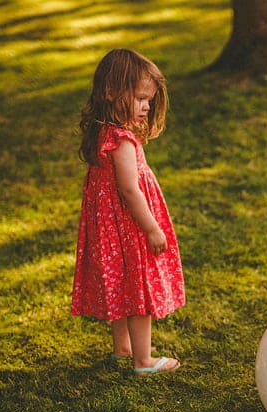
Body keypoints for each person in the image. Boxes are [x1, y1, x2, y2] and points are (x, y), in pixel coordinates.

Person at [71, 49, 184, 376]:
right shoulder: (122, 141)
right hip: (129, 226)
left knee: (121, 285)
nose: (147, 106)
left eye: (149, 99)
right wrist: (151, 227)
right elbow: (129, 189)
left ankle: (122, 348)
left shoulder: (101, 132)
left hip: (109, 228)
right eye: (140, 98)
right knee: (139, 289)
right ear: (111, 93)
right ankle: (143, 360)